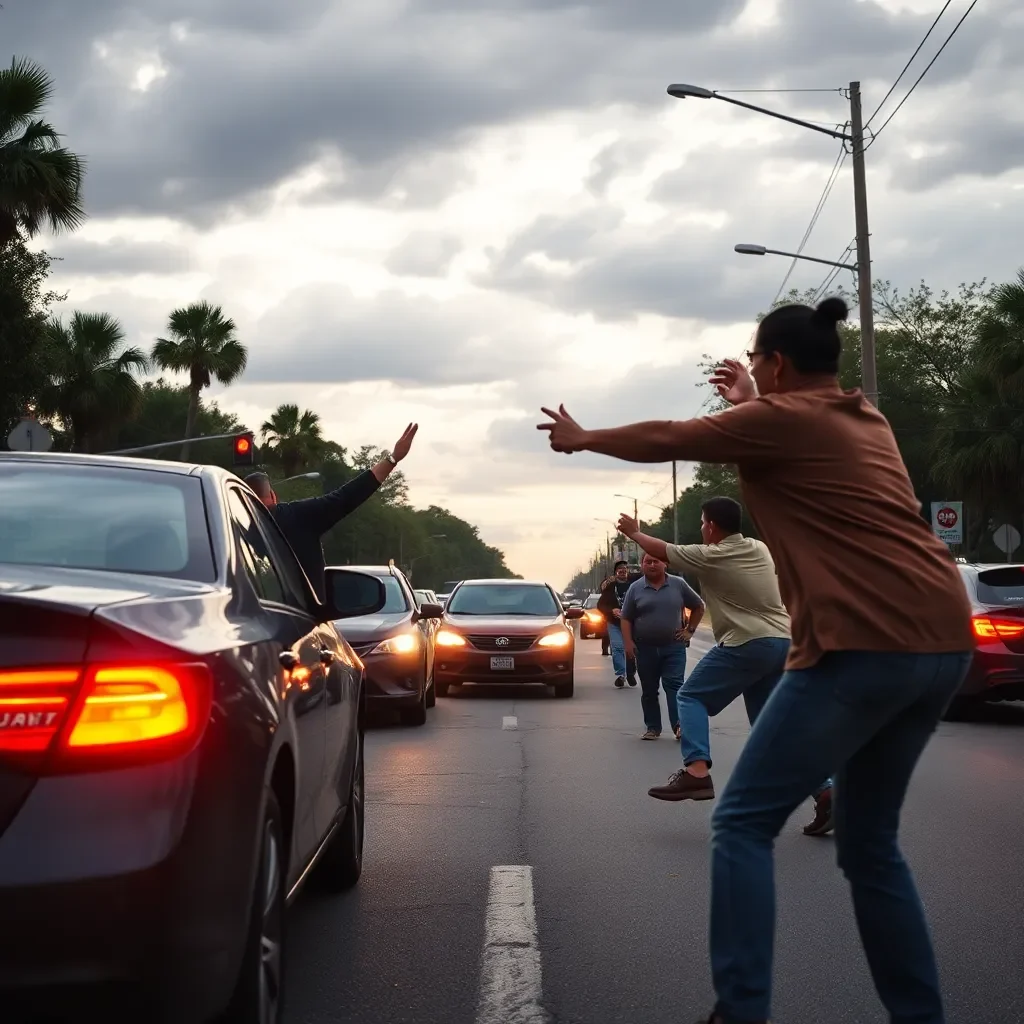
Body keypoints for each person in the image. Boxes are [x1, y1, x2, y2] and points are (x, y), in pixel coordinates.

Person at [538, 296, 973, 1024]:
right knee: (871, 849)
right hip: (943, 638)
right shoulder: (864, 418)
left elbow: (673, 433)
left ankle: (740, 1010)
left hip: (863, 642)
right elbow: (772, 430)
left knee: (741, 822)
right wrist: (748, 398)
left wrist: (585, 438)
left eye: (758, 365)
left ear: (775, 363)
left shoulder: (783, 421)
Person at [618, 500, 833, 837]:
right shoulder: (758, 548)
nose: (702, 529)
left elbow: (662, 549)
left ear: (713, 527)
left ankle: (697, 772)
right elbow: (669, 552)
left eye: (703, 523)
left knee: (690, 697)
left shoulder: (712, 555)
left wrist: (634, 533)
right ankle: (826, 791)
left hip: (749, 643)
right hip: (782, 642)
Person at [246, 423, 418, 601]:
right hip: (306, 622)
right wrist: (392, 459)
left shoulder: (236, 530)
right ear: (273, 495)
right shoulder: (299, 516)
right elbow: (348, 496)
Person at [620, 552, 705, 740]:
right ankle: (653, 728)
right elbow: (626, 618)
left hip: (673, 647)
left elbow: (699, 606)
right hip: (645, 648)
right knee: (649, 690)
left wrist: (690, 630)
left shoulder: (678, 585)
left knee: (674, 685)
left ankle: (679, 726)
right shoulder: (635, 588)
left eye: (655, 561)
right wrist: (628, 643)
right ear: (642, 565)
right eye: (647, 562)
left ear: (665, 563)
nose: (651, 565)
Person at [596, 560, 641, 687]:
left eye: (625, 569)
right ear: (615, 573)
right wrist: (612, 610)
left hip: (631, 623)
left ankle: (631, 673)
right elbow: (600, 605)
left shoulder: (634, 585)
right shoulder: (610, 587)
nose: (622, 572)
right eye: (620, 570)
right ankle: (621, 675)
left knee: (631, 649)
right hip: (614, 623)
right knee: (617, 648)